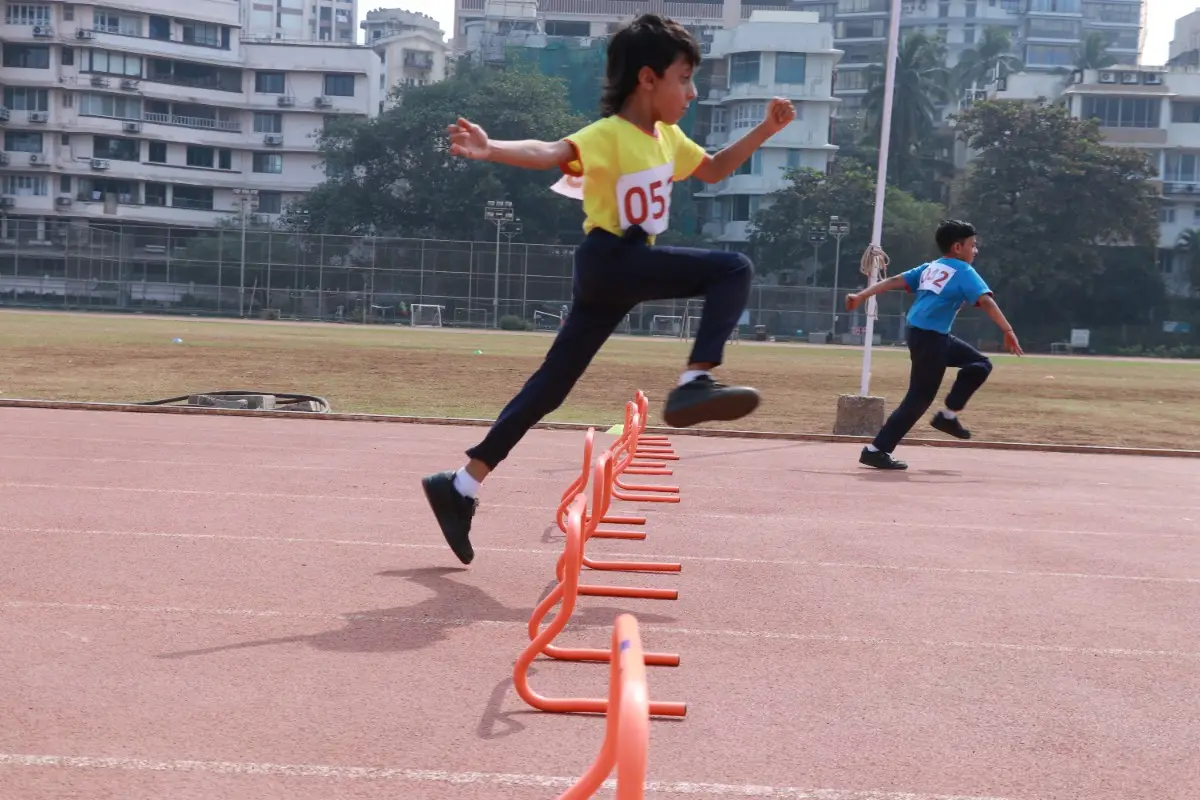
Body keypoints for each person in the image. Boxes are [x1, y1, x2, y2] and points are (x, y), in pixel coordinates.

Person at [421, 13, 796, 564]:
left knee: (550, 388)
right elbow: (548, 151)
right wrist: (491, 147)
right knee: (733, 268)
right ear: (648, 79)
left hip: (619, 270)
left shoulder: (667, 138)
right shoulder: (608, 135)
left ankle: (460, 485)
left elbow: (714, 171)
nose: (692, 93)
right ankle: (695, 380)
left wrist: (765, 130)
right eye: (684, 79)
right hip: (611, 258)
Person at [844, 219, 1023, 471]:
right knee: (919, 398)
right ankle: (876, 450)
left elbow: (894, 280)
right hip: (930, 337)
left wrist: (862, 295)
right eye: (973, 245)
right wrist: (1008, 330)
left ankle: (947, 417)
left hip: (926, 334)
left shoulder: (932, 267)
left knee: (979, 364)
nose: (976, 250)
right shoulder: (963, 270)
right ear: (958, 247)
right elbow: (986, 301)